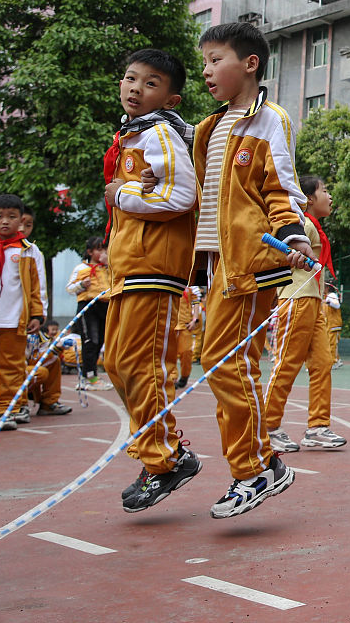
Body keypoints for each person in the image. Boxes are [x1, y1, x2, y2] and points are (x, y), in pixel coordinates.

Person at [191, 22, 312, 518]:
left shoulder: (268, 121)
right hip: (219, 265)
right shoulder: (208, 128)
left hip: (253, 263)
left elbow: (281, 187)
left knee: (225, 361)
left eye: (215, 59)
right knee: (218, 361)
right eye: (203, 63)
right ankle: (254, 464)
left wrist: (293, 236)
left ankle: (257, 467)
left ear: (250, 64)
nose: (206, 71)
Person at [100, 48, 202, 512]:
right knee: (114, 363)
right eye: (129, 78)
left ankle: (166, 459)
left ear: (171, 98)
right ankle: (161, 452)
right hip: (129, 269)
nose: (135, 88)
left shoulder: (160, 133)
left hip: (154, 267)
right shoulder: (132, 136)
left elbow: (182, 194)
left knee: (138, 365)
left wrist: (123, 194)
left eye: (150, 82)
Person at [263, 176, 347, 452]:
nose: (329, 195)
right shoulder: (299, 225)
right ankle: (268, 427)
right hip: (296, 300)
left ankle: (318, 426)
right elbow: (278, 254)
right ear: (309, 198)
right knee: (286, 364)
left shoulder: (313, 227)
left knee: (322, 364)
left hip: (314, 301)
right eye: (325, 190)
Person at [0, 193, 45, 432]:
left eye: (12, 217)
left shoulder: (29, 251)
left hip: (13, 319)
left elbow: (38, 286)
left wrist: (37, 314)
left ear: (21, 220)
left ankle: (6, 409)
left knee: (11, 366)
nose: (5, 221)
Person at [66, 236, 112, 388]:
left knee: (100, 341)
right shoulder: (81, 269)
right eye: (99, 249)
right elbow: (70, 288)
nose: (103, 253)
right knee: (90, 341)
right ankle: (88, 377)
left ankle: (92, 376)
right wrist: (81, 284)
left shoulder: (109, 268)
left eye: (105, 249)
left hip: (105, 306)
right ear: (90, 252)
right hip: (88, 306)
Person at [27, 321, 71, 416]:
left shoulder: (39, 336)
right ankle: (17, 406)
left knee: (54, 360)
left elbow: (42, 356)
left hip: (24, 367)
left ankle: (49, 403)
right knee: (40, 372)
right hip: (5, 375)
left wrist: (58, 348)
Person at [172, 286, 204, 390]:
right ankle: (172, 378)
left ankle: (184, 376)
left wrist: (194, 319)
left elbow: (195, 302)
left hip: (185, 325)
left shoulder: (191, 287)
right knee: (169, 354)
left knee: (186, 352)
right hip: (170, 325)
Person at [325, 287, 343, 370]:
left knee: (332, 344)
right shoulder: (326, 297)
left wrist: (329, 302)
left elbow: (337, 305)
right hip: (329, 325)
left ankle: (334, 362)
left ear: (327, 288)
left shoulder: (332, 295)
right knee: (331, 344)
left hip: (334, 325)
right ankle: (337, 360)